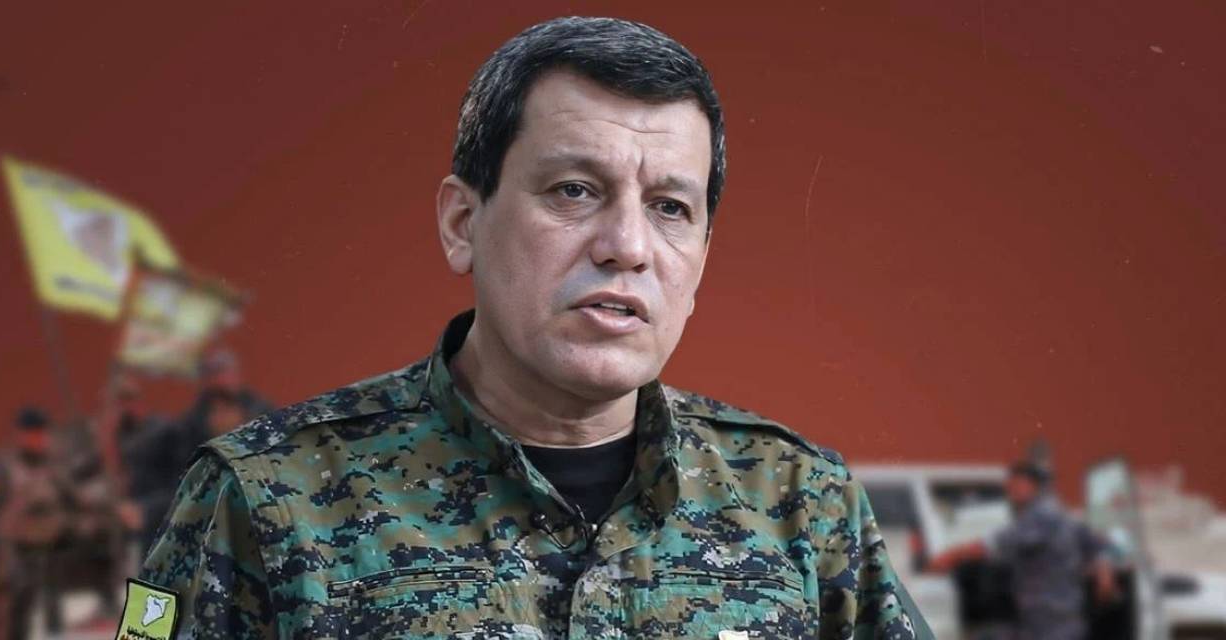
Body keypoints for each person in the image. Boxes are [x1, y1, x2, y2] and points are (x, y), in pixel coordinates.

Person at [131, 17, 931, 639]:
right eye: (575, 190)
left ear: (701, 260)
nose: (627, 246)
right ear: (462, 223)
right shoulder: (265, 499)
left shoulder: (803, 504)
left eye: (670, 208)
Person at [927, 460, 1116, 640]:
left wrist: (948, 557)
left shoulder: (1041, 516)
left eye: (1018, 486)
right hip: (1053, 620)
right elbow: (1098, 547)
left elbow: (995, 544)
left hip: (1051, 622)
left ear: (1034, 486)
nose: (1012, 491)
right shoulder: (1060, 514)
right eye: (1010, 487)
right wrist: (1105, 577)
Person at [123, 347, 271, 553]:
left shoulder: (263, 419)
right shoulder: (188, 430)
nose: (219, 381)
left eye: (223, 373)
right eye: (213, 375)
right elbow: (182, 484)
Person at [0, 407, 73, 639]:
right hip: (4, 556)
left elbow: (70, 502)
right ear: (21, 435)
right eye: (34, 434)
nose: (40, 440)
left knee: (22, 621)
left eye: (43, 434)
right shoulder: (1, 467)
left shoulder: (49, 466)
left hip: (37, 556)